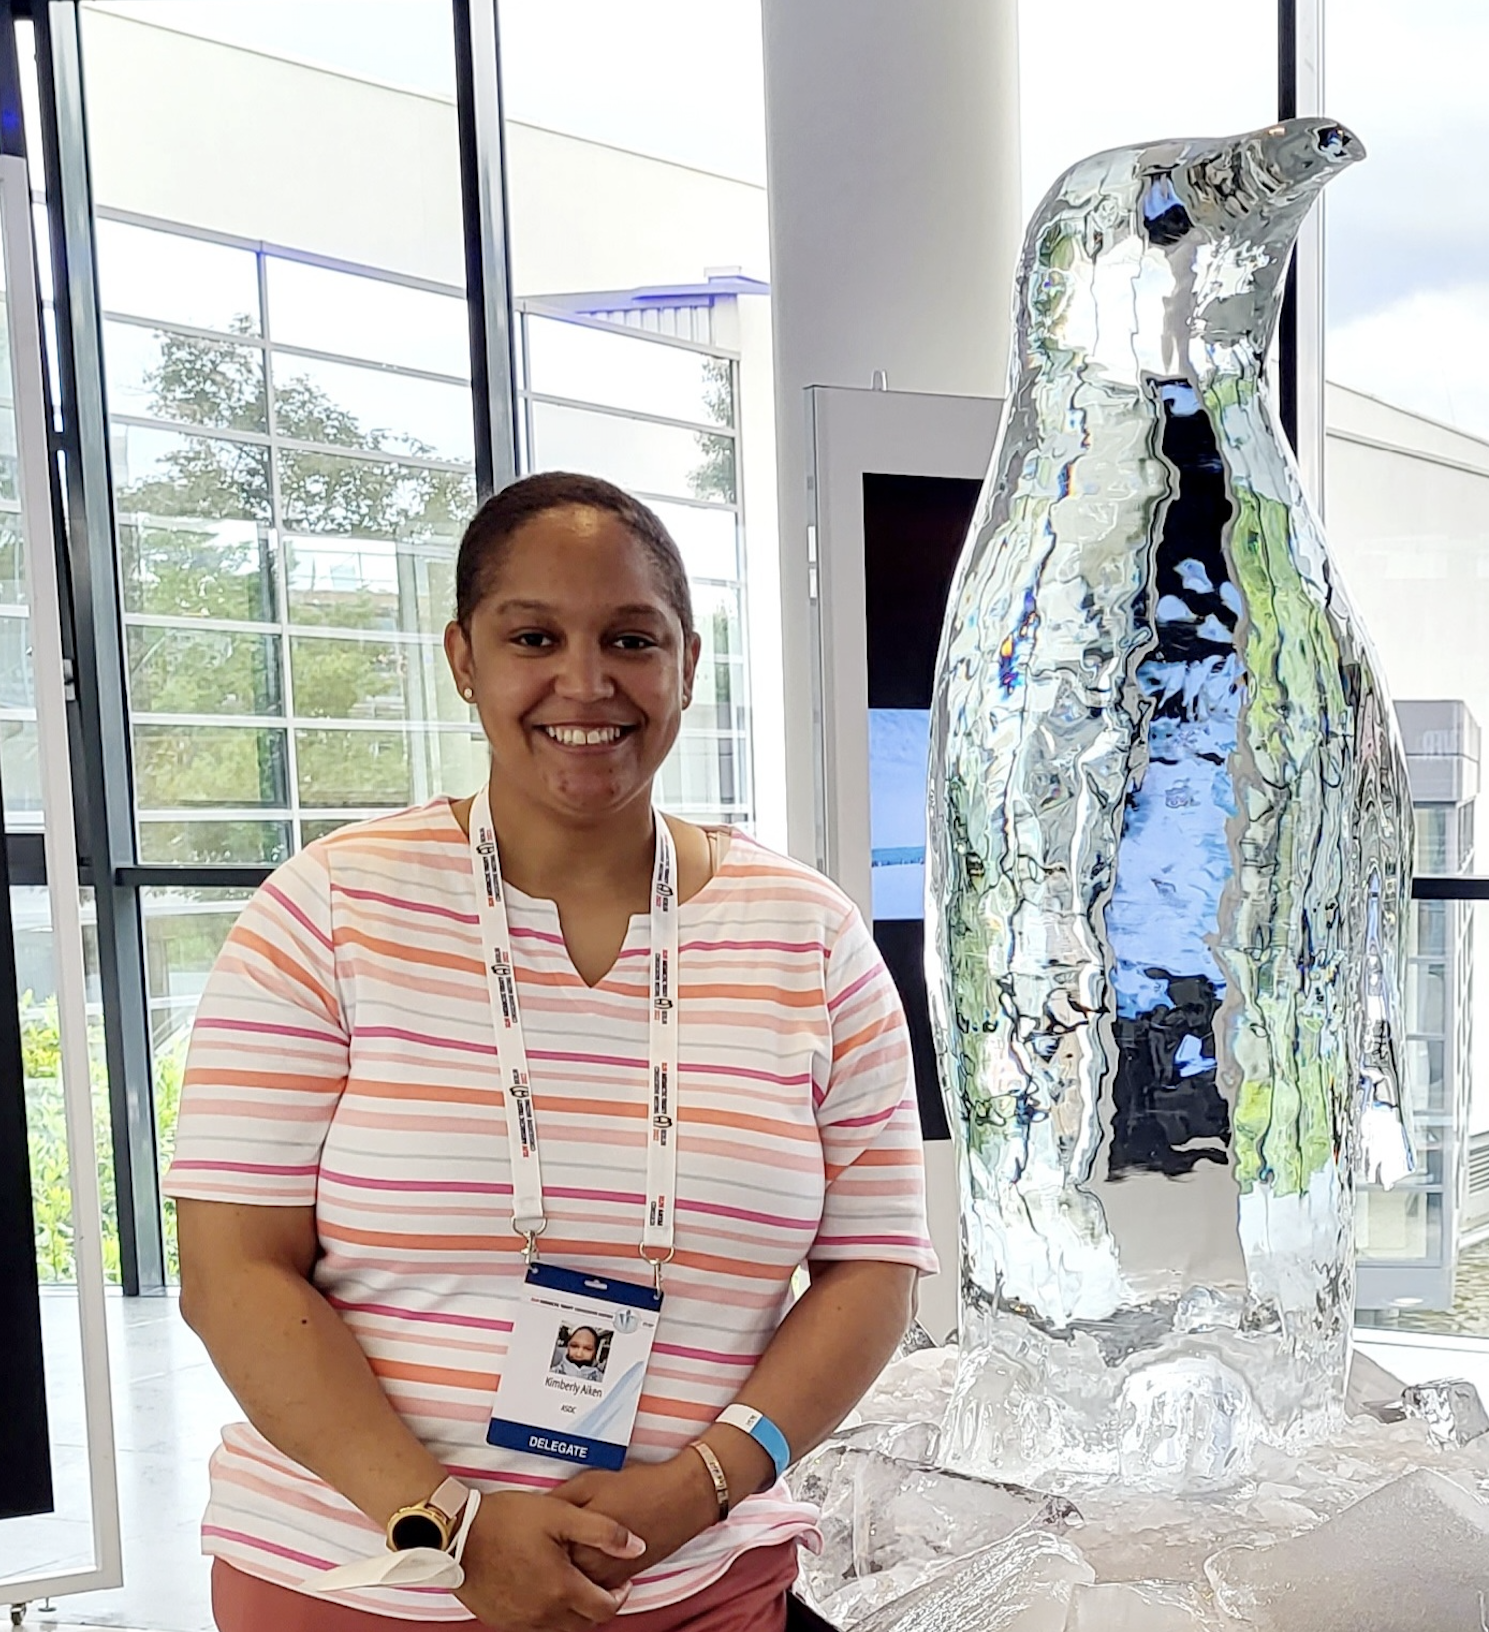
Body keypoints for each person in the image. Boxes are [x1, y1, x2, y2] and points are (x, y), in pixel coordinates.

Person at [169, 471, 937, 1632]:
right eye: (534, 636)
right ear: (463, 660)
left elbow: (871, 1265)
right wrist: (450, 1525)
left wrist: (702, 1486)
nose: (586, 683)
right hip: (355, 1582)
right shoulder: (327, 912)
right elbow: (235, 1271)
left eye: (631, 638)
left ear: (685, 662)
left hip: (689, 1585)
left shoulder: (809, 937)